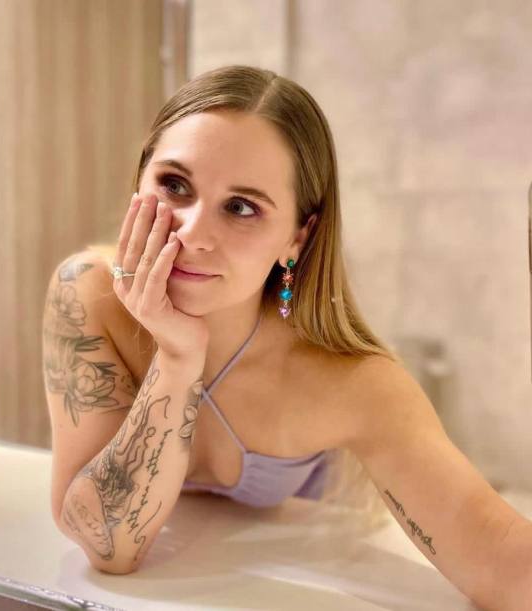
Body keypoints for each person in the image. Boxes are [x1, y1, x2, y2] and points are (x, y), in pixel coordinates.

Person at [43, 66, 531, 609]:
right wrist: (177, 358)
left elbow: (501, 562)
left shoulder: (349, 380)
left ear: (299, 235)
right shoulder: (87, 295)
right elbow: (104, 545)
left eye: (241, 207)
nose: (192, 234)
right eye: (174, 185)